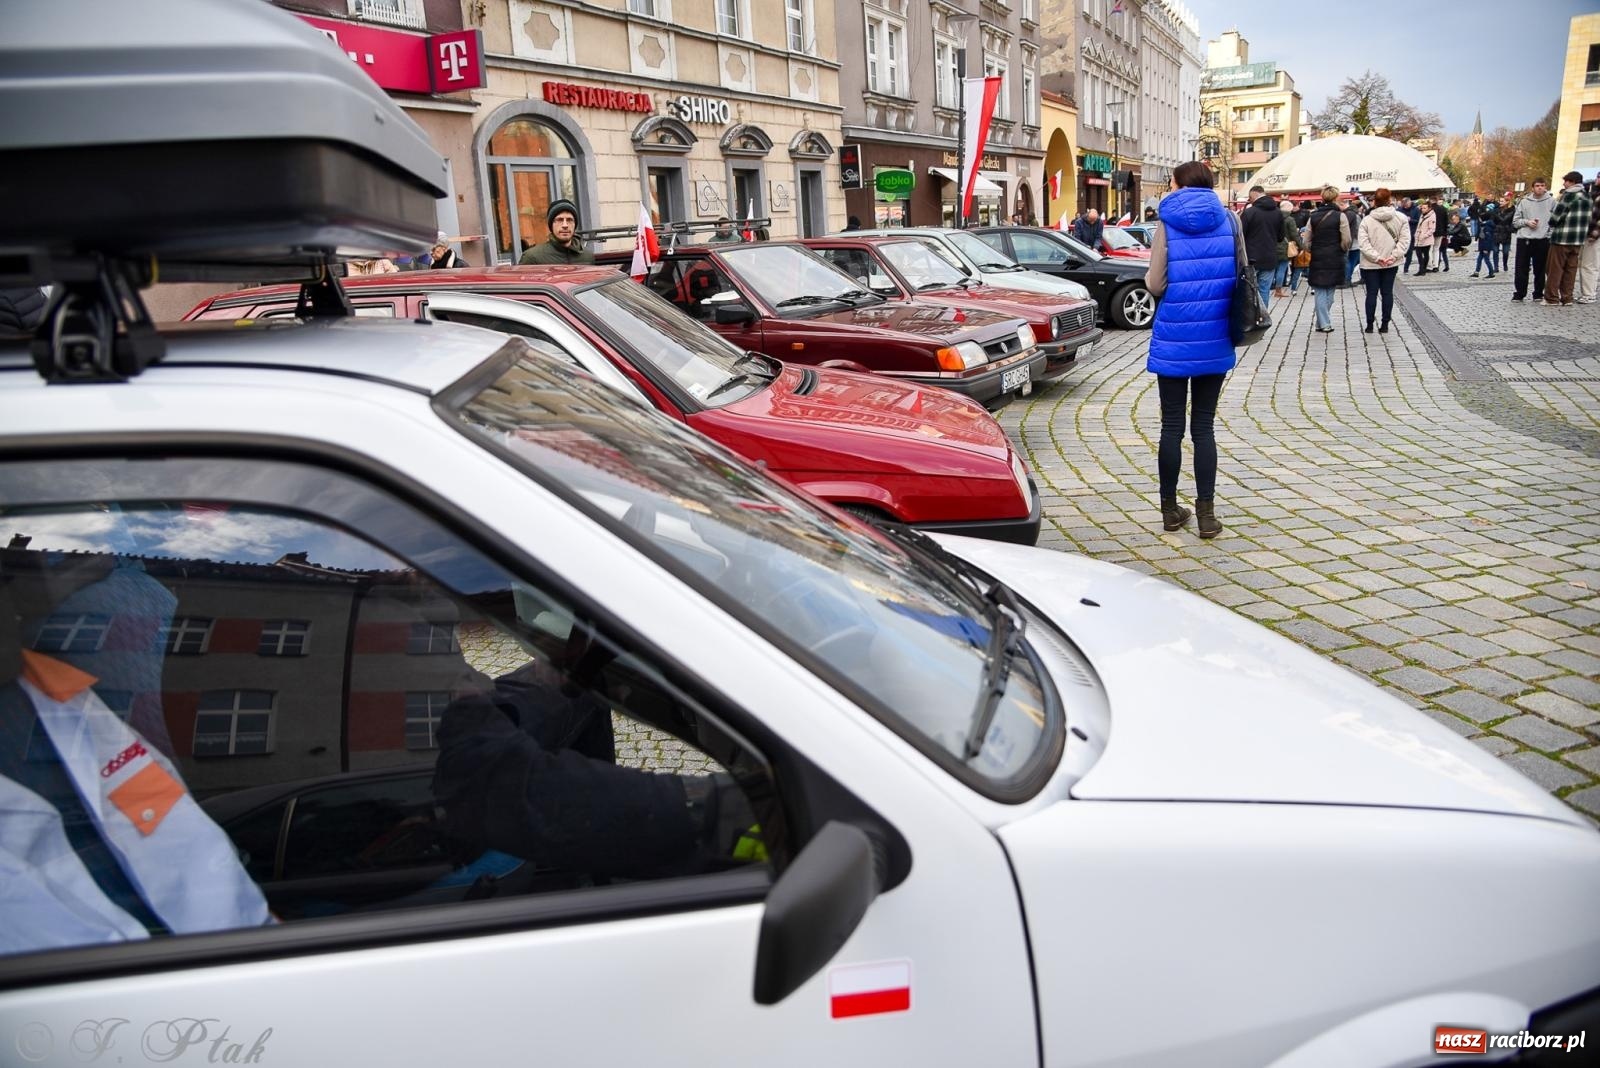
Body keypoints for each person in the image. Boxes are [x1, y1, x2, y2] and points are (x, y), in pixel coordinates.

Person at [1142, 160, 1240, 541]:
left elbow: (1154, 282)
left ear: (1180, 184)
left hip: (1173, 336)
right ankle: (1206, 516)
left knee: (1171, 426)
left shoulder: (1166, 223)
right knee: (1203, 427)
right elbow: (1241, 273)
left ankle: (1170, 511)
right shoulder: (1230, 220)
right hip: (1215, 333)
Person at [1357, 187, 1411, 333]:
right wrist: (1393, 256)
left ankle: (1369, 325)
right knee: (1387, 292)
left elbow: (1363, 244)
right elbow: (1405, 241)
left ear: (1374, 201)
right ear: (1389, 200)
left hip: (1370, 264)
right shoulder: (1401, 218)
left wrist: (1377, 257)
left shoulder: (1366, 221)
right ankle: (1385, 324)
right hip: (1391, 262)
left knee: (1371, 293)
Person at [1307, 186, 1352, 333]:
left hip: (1318, 255)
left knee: (1320, 290)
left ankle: (1322, 323)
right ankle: (1325, 323)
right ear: (1335, 198)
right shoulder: (1340, 216)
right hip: (1335, 256)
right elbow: (1346, 239)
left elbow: (1306, 240)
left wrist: (1312, 249)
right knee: (1330, 291)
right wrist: (1342, 249)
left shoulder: (1313, 216)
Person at [1543, 170, 1592, 306]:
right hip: (1578, 239)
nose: (1564, 184)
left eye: (1566, 181)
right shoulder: (1587, 196)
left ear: (1572, 182)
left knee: (1555, 268)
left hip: (1562, 237)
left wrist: (1551, 222)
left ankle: (1551, 298)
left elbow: (1557, 216)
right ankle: (1567, 297)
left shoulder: (1569, 195)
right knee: (1571, 270)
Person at [1239, 185, 1282, 312]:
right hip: (1270, 258)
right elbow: (1281, 237)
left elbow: (1241, 236)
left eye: (1250, 198)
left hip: (1251, 259)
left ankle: (1250, 318)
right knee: (1264, 290)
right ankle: (1262, 318)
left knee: (1249, 291)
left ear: (1254, 195)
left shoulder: (1249, 212)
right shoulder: (1278, 213)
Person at [1510, 178, 1553, 301]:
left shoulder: (1551, 202)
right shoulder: (1524, 202)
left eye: (1542, 185)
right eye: (1537, 185)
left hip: (1542, 239)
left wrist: (1549, 233)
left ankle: (1538, 292)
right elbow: (1515, 221)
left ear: (1545, 187)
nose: (1540, 188)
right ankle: (1519, 293)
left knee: (1540, 269)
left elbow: (1556, 220)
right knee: (1521, 268)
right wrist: (1527, 222)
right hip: (1525, 239)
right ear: (1533, 188)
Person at [518, 199, 594, 265]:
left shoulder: (587, 257)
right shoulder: (532, 258)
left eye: (569, 220)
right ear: (551, 225)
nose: (565, 225)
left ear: (575, 225)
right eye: (559, 220)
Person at [1577, 183, 1600, 304]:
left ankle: (1589, 294)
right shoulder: (1593, 193)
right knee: (1585, 264)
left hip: (1594, 235)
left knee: (1590, 265)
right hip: (1587, 233)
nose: (1597, 179)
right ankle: (1587, 292)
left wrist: (1594, 234)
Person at [1471, 202, 1499, 278]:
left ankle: (1491, 272)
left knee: (1486, 259)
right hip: (1482, 246)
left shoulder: (1487, 227)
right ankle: (1476, 272)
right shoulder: (1483, 226)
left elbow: (1488, 239)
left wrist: (1486, 248)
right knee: (1479, 259)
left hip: (1485, 246)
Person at [1412, 198, 1436, 275]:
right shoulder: (1422, 215)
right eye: (1422, 208)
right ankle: (1422, 269)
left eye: (1424, 208)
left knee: (1425, 254)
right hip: (1419, 238)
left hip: (1426, 239)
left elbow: (1432, 229)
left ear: (1429, 208)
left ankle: (1422, 269)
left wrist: (1425, 235)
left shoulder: (1431, 216)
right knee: (1419, 254)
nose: (1423, 209)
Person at [1343, 200, 1364, 285]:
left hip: (1352, 242)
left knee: (1350, 261)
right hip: (1355, 243)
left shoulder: (1347, 214)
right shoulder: (1356, 216)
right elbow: (1358, 229)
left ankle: (1347, 279)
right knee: (1351, 261)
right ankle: (1347, 279)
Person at [1400, 197, 1420, 273]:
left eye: (1407, 204)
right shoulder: (1400, 210)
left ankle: (1406, 267)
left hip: (1412, 232)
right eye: (1404, 204)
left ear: (1410, 202)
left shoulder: (1416, 209)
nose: (1405, 206)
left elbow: (1418, 221)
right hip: (1401, 233)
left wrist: (1410, 220)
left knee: (1410, 251)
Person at [1497, 193, 1516, 273]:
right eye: (1500, 201)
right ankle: (1496, 266)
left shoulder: (1512, 210)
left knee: (1505, 252)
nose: (1500, 203)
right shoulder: (1497, 209)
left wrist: (1510, 228)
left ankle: (1505, 264)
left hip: (1506, 233)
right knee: (1495, 251)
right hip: (1497, 232)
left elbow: (1511, 221)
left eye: (1502, 201)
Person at [1431, 198, 1450, 272]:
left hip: (1431, 232)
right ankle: (1436, 265)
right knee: (1437, 249)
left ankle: (1431, 265)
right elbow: (1446, 222)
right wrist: (1445, 233)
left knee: (1431, 249)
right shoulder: (1443, 209)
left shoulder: (1430, 210)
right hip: (1441, 232)